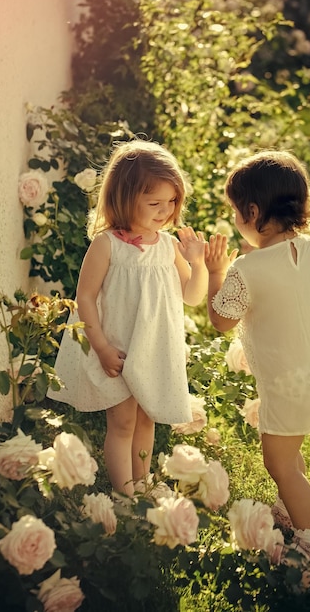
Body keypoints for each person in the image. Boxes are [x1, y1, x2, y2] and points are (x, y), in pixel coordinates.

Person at [51, 139, 208, 496]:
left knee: (146, 418)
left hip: (151, 350)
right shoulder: (107, 245)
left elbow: (192, 296)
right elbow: (85, 298)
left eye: (172, 201)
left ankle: (143, 484)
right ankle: (124, 493)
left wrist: (197, 264)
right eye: (154, 203)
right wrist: (102, 347)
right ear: (124, 198)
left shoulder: (168, 247)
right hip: (118, 350)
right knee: (122, 422)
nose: (165, 210)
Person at [204, 149, 310, 561]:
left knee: (280, 463)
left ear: (253, 212)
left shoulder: (247, 269)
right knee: (290, 454)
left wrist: (217, 271)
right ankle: (292, 512)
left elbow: (221, 319)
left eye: (237, 212)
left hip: (285, 385)